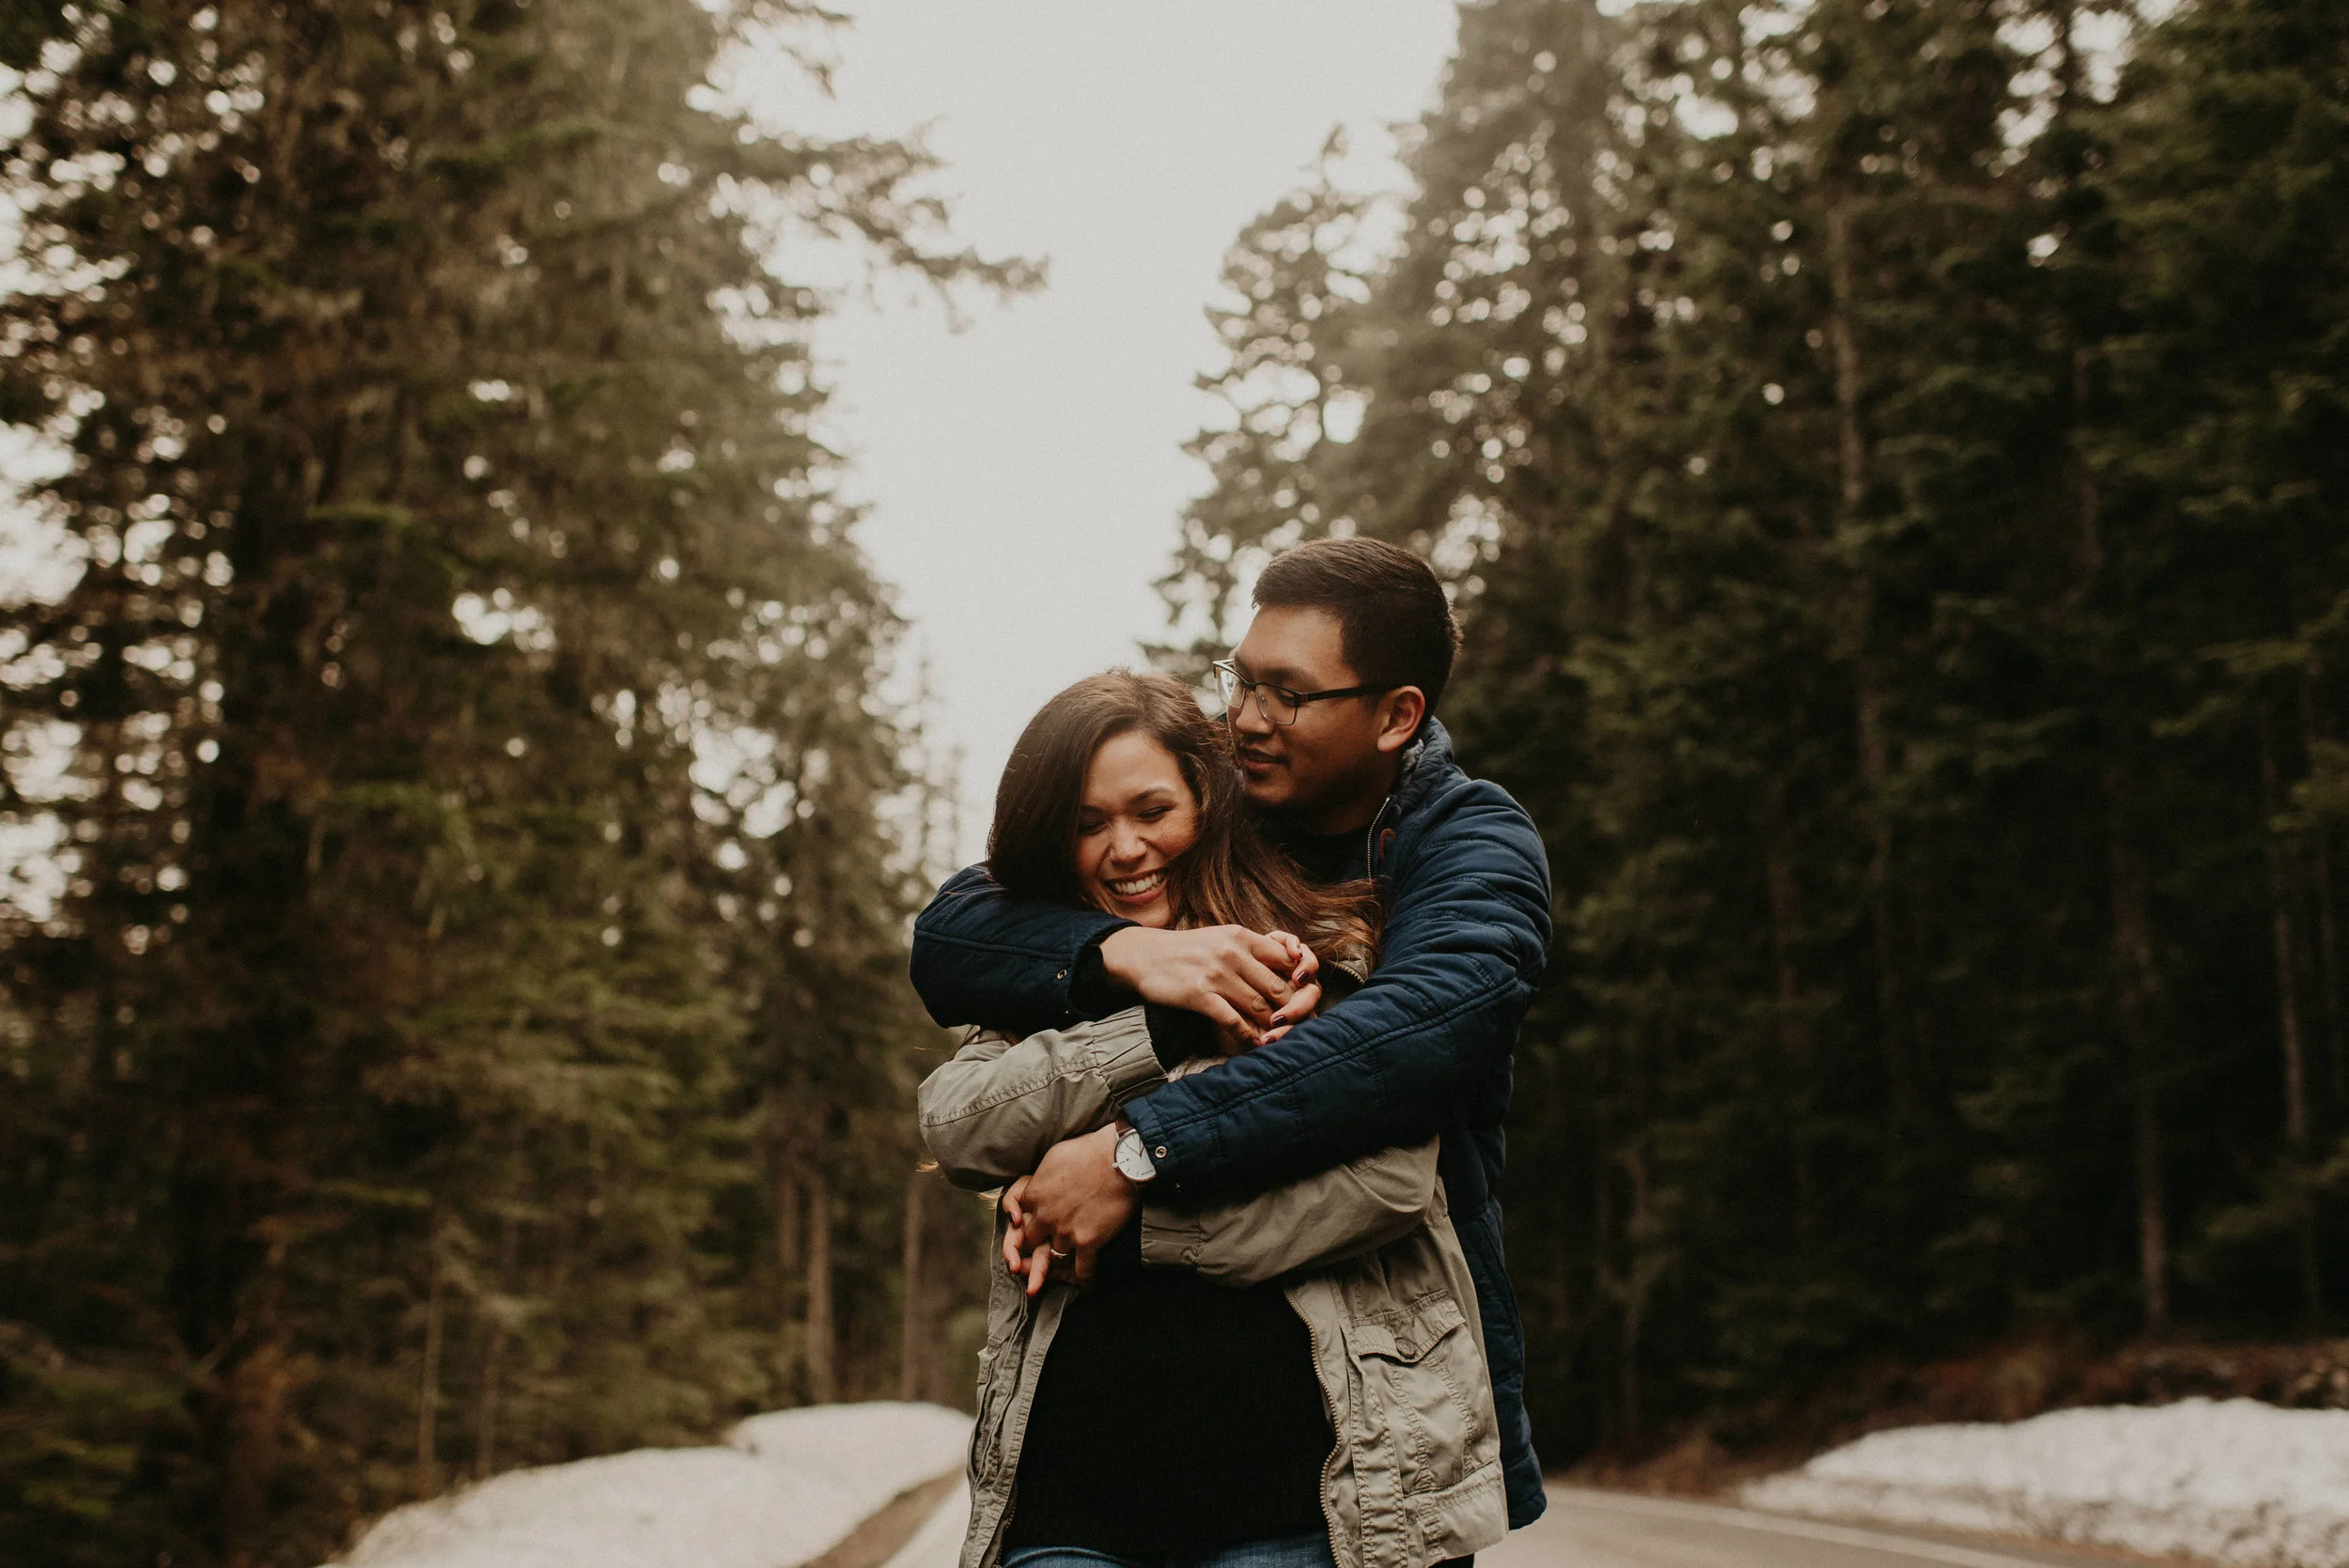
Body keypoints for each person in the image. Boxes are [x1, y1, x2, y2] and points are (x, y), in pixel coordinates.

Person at [912, 538, 1552, 1531]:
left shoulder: (1467, 842)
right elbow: (956, 928)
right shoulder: (1218, 788)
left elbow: (1410, 1041)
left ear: (1396, 715)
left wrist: (1134, 1162)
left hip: (1355, 1427)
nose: (1245, 718)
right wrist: (1135, 960)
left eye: (1287, 694)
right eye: (1240, 679)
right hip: (1092, 1467)